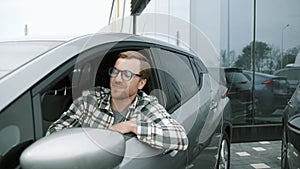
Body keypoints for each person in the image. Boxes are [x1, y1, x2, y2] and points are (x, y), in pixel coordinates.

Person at [46, 50, 188, 151]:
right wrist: (85, 143)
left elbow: (180, 138)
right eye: (115, 71)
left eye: (127, 75)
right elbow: (53, 133)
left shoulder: (146, 106)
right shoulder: (91, 99)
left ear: (141, 83)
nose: (117, 79)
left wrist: (131, 127)